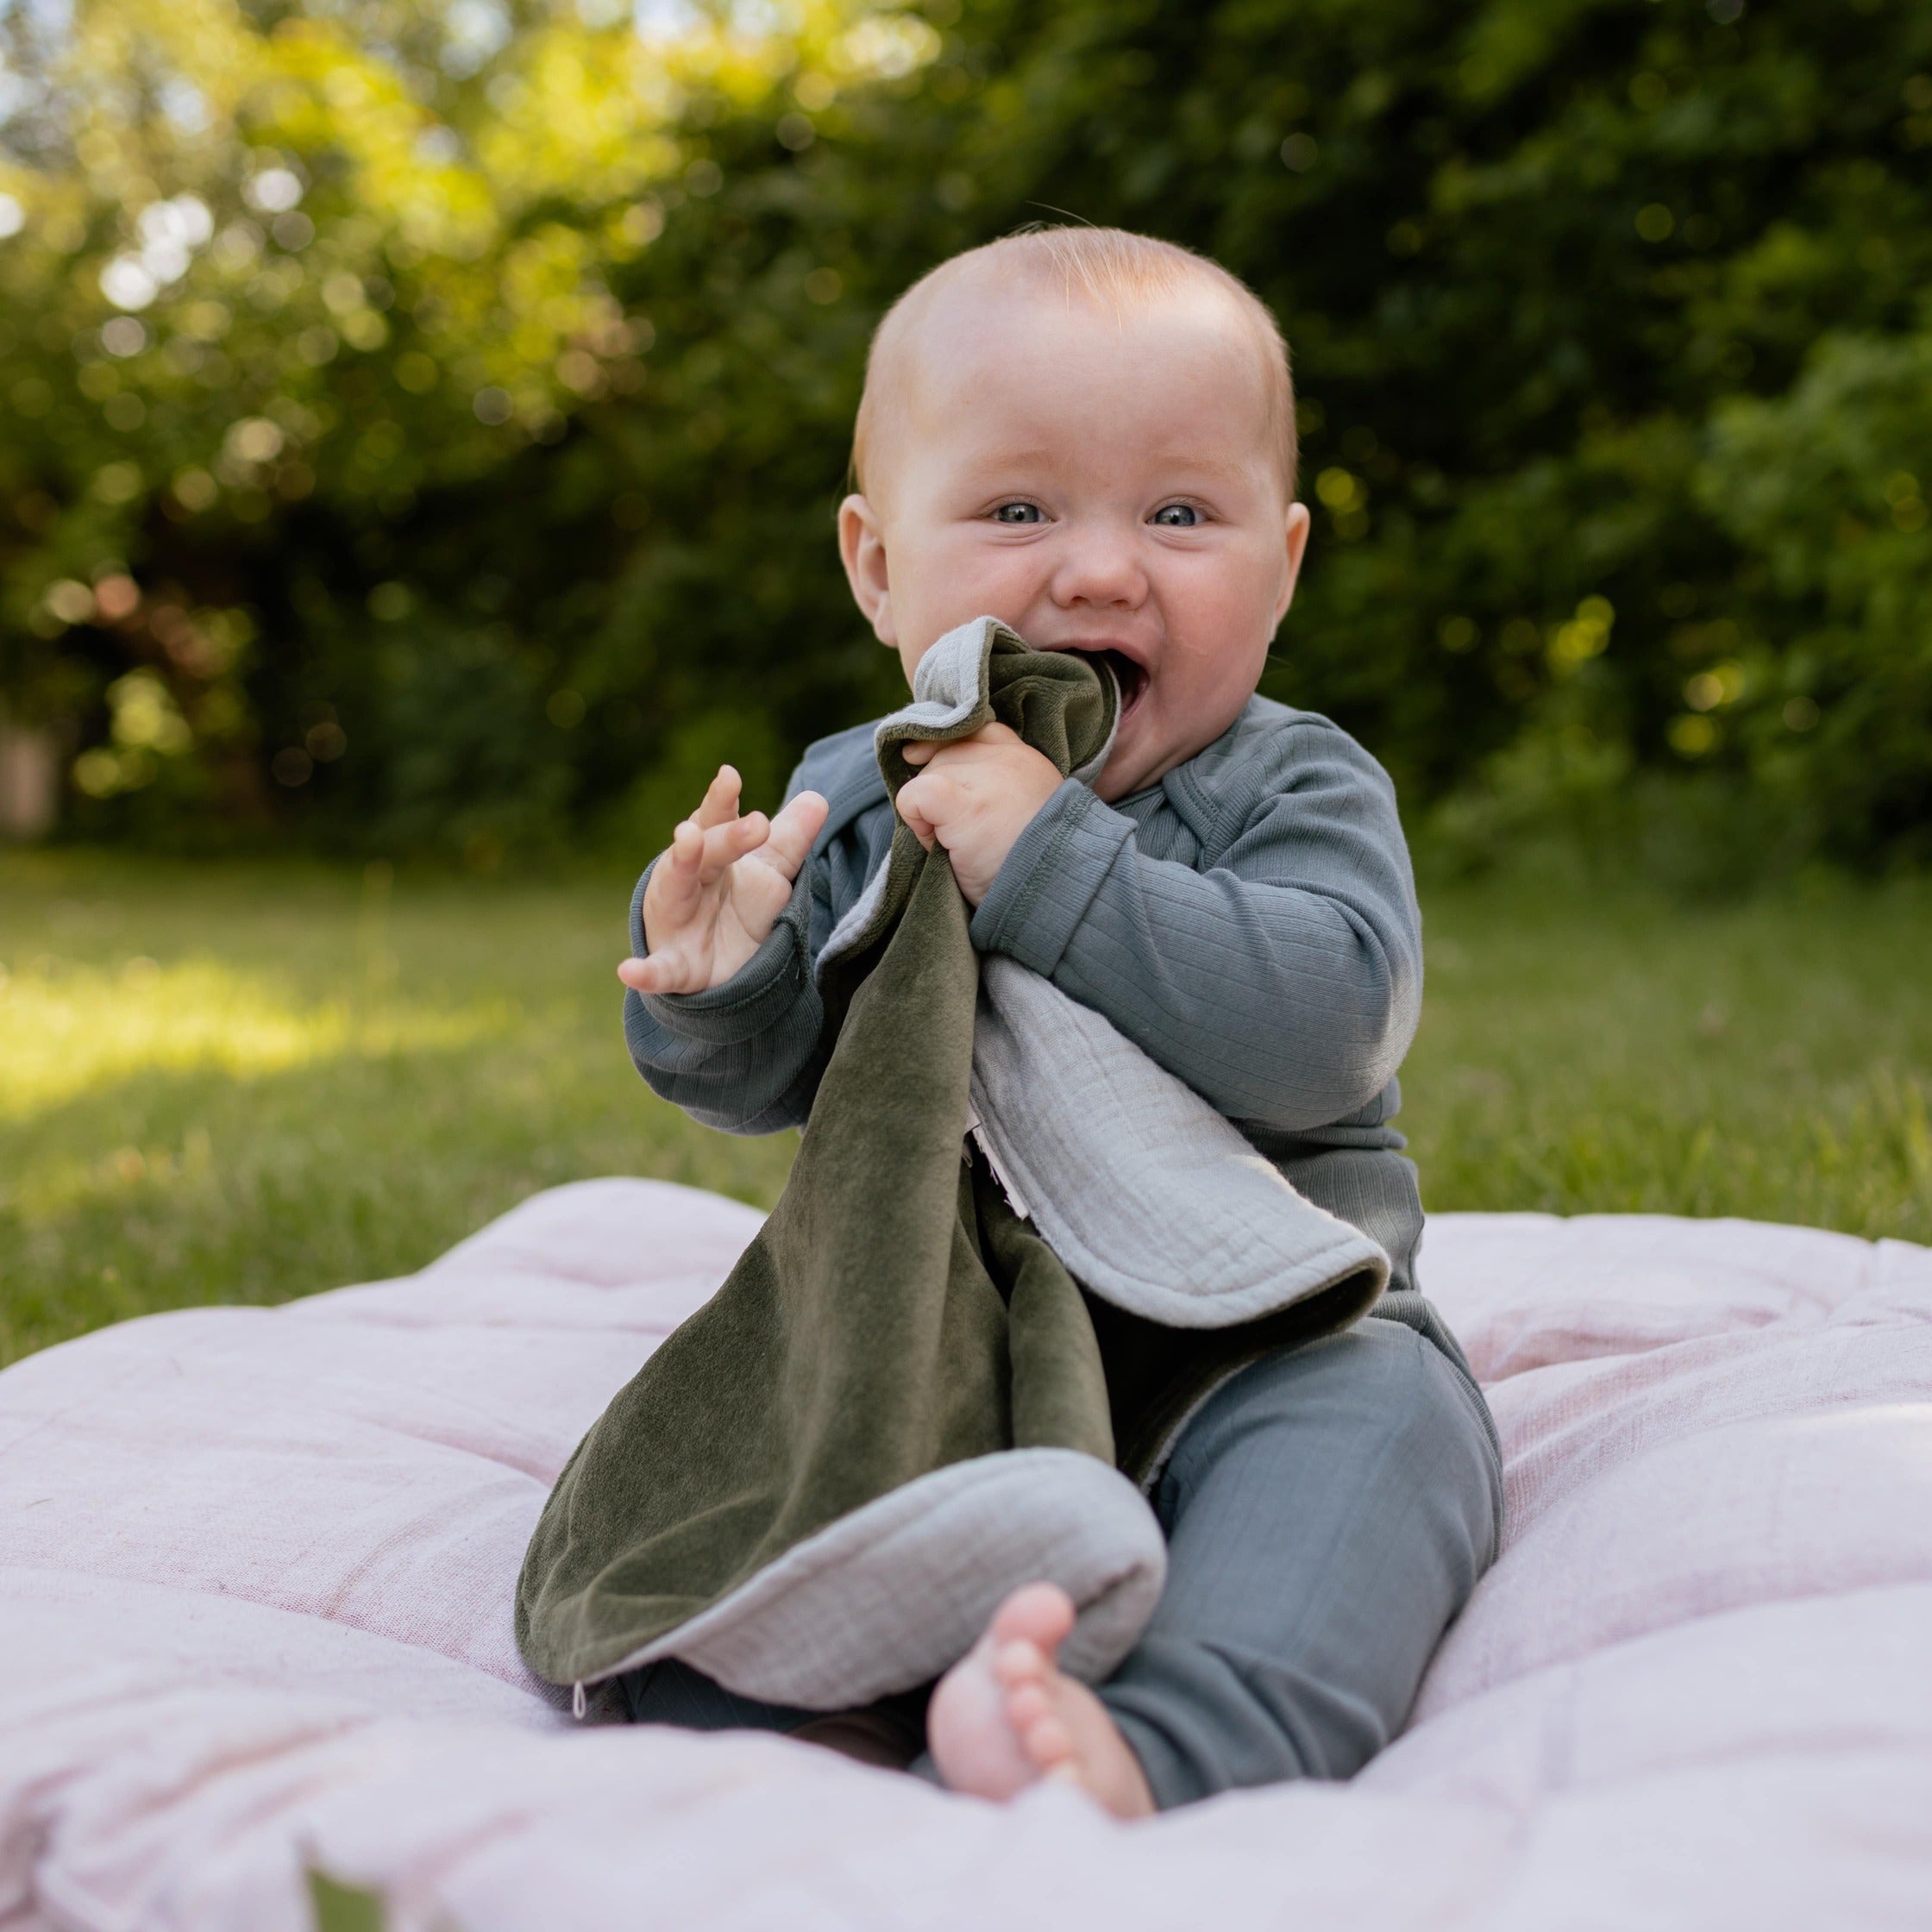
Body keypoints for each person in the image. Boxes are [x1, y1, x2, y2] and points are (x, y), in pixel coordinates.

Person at [615, 227, 1502, 1817]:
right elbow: (772, 1085)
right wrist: (721, 980)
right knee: (739, 1487)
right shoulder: (851, 789)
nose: (1100, 569)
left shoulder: (1293, 784)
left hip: (1275, 1330)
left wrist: (1053, 862)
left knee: (1387, 1440)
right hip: (941, 1351)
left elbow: (1328, 1029)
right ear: (878, 565)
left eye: (1179, 513)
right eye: (1019, 509)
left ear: (1282, 566)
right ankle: (795, 1734)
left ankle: (1166, 1742)